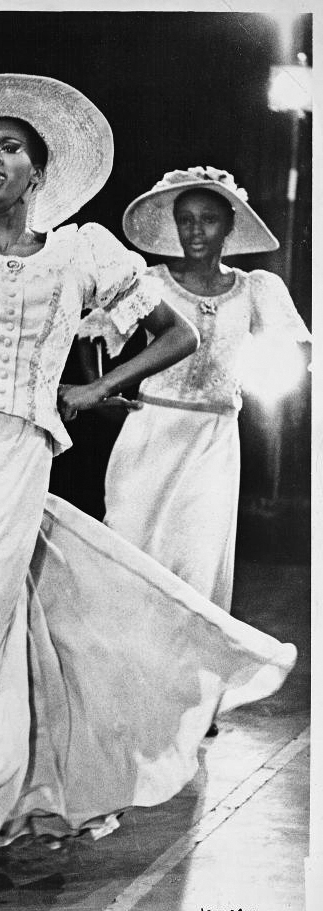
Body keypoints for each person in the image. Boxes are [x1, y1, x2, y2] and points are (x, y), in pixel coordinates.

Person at [0, 77, 297, 911]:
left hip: (14, 458)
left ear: (39, 173)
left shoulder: (81, 254)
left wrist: (95, 389)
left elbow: (177, 333)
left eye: (9, 148)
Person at [90, 167, 311, 613]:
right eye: (186, 219)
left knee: (197, 562)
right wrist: (101, 394)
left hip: (213, 441)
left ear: (229, 224)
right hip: (149, 433)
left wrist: (264, 378)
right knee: (130, 552)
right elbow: (94, 333)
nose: (195, 230)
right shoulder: (150, 282)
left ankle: (182, 681)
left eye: (208, 219)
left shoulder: (257, 289)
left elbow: (293, 354)